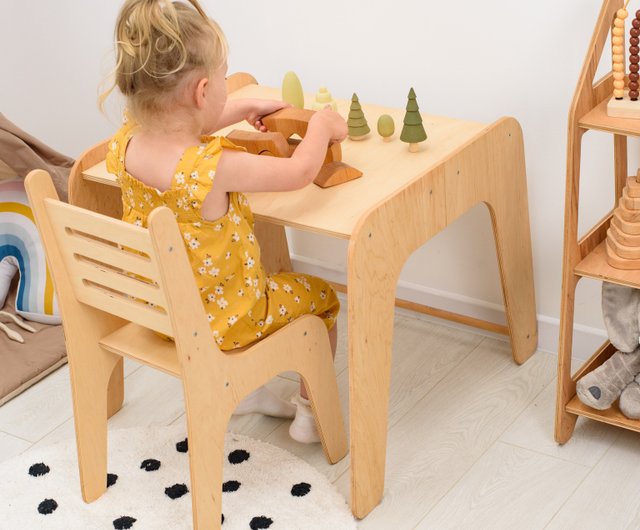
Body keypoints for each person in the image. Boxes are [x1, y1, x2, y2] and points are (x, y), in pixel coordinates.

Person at [101, 0, 346, 443]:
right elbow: (299, 173)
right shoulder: (213, 168)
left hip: (162, 312)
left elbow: (187, 128)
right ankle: (310, 413)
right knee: (323, 299)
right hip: (230, 323)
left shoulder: (125, 144)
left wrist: (242, 107)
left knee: (254, 279)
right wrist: (322, 128)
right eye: (222, 85)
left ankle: (247, 394)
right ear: (201, 92)